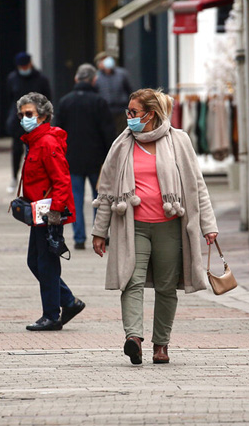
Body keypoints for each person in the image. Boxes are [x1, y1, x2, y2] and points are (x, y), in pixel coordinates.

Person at [91, 88, 219, 365]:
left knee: (165, 287)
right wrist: (100, 231)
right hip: (132, 225)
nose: (129, 117)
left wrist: (208, 226)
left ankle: (161, 344)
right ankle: (133, 338)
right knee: (131, 281)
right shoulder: (122, 144)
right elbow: (108, 191)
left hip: (170, 226)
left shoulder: (179, 141)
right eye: (128, 112)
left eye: (133, 112)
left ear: (151, 114)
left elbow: (198, 187)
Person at [17, 92, 85, 331]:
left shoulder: (46, 142)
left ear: (43, 116)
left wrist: (55, 213)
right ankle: (68, 301)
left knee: (46, 264)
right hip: (38, 213)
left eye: (29, 114)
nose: (23, 118)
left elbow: (62, 180)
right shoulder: (34, 141)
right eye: (21, 114)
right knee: (35, 262)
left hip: (48, 214)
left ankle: (52, 315)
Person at [53, 64, 116, 250]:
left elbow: (58, 131)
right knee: (100, 198)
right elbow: (108, 132)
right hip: (97, 160)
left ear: (76, 79)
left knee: (75, 199)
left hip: (72, 159)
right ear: (94, 80)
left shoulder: (65, 102)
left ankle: (79, 237)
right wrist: (110, 157)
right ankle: (100, 233)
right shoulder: (99, 102)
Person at [5, 52, 52, 193]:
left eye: (25, 65)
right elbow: (9, 98)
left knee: (38, 150)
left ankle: (38, 178)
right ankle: (14, 177)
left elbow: (47, 99)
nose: (23, 68)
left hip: (37, 120)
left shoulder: (41, 79)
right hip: (18, 120)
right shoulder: (13, 78)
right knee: (17, 149)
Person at [95, 52, 133, 135]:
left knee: (122, 133)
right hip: (105, 111)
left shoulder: (122, 74)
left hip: (121, 110)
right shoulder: (97, 77)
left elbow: (129, 90)